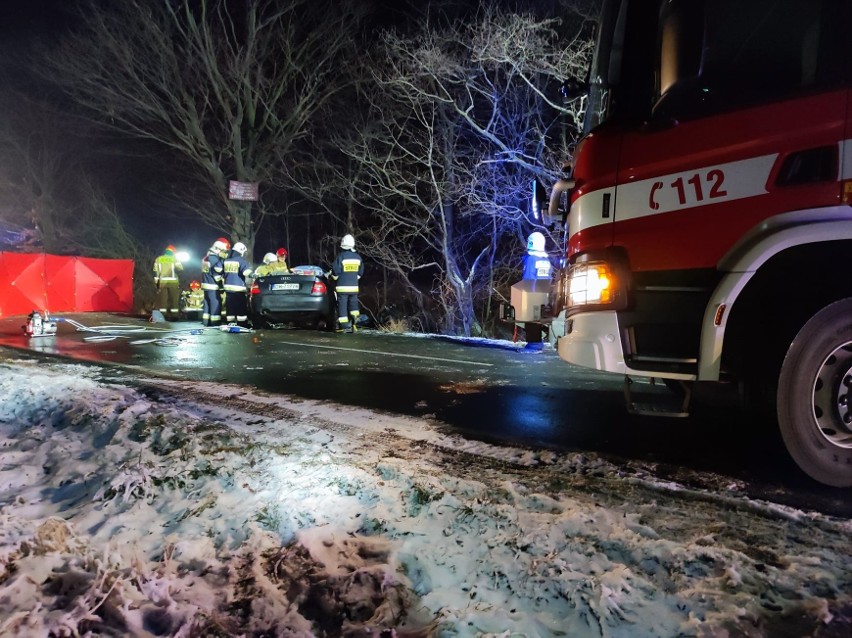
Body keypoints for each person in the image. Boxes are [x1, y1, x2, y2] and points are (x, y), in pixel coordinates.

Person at [521, 231, 553, 351]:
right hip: (543, 293)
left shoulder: (531, 259)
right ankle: (537, 343)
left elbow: (528, 277)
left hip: (532, 293)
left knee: (530, 320)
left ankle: (533, 345)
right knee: (538, 319)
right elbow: (549, 277)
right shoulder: (546, 260)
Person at [330, 233, 364, 333]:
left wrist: (334, 277)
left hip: (342, 288)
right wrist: (354, 278)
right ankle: (355, 324)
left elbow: (335, 271)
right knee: (354, 305)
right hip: (354, 287)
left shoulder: (341, 257)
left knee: (342, 305)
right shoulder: (358, 257)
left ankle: (343, 326)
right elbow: (360, 272)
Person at [222, 241, 253, 326]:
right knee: (241, 307)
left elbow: (222, 273)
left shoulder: (226, 260)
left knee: (230, 307)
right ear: (241, 251)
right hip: (238, 289)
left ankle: (230, 323)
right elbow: (246, 272)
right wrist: (253, 274)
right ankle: (242, 323)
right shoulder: (240, 260)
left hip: (228, 289)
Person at [201, 238, 229, 326]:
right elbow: (216, 274)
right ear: (218, 249)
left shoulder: (206, 258)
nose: (224, 253)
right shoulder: (215, 259)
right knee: (215, 303)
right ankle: (215, 322)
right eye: (223, 251)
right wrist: (221, 285)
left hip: (205, 284)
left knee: (207, 303)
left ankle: (206, 321)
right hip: (213, 285)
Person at [152, 244, 184, 320]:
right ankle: (174, 316)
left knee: (163, 300)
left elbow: (155, 272)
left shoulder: (158, 259)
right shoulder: (174, 259)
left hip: (162, 283)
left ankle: (162, 316)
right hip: (173, 282)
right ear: (173, 252)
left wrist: (157, 282)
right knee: (174, 300)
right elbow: (180, 269)